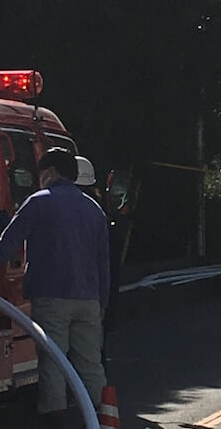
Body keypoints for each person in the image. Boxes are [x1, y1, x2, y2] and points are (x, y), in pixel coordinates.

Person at [0, 148, 110, 429]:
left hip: (52, 297)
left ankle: (55, 422)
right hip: (89, 299)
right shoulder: (93, 209)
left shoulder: (39, 202)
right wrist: (102, 304)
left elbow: (8, 244)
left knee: (54, 364)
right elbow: (103, 264)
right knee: (90, 364)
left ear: (49, 172)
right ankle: (103, 418)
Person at [75, 155, 122, 371]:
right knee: (93, 353)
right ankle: (96, 397)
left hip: (70, 294)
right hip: (97, 296)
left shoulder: (75, 210)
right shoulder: (99, 213)